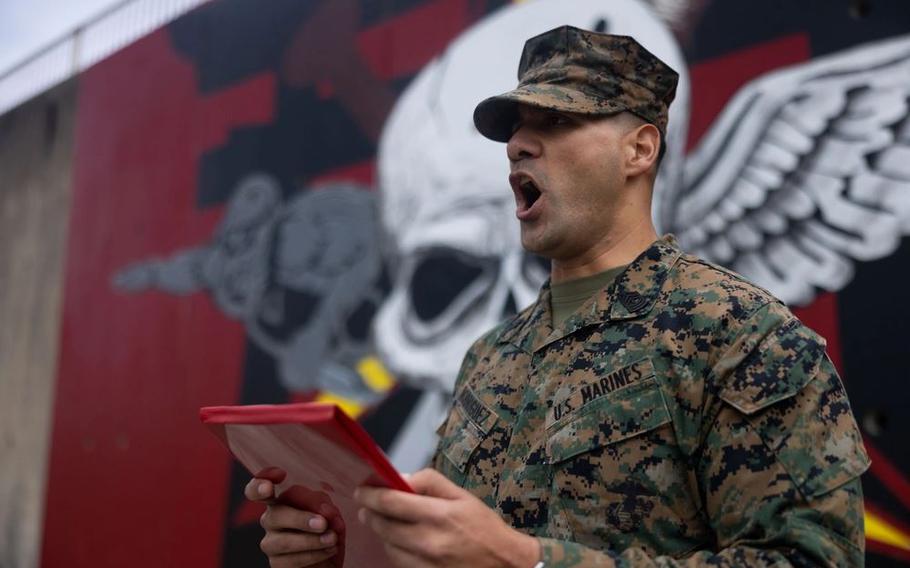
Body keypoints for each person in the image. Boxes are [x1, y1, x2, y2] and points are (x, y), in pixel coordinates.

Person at [245, 25, 870, 567]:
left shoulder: (742, 335)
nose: (518, 143)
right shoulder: (488, 358)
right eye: (516, 128)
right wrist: (344, 552)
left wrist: (532, 562)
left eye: (556, 121)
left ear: (640, 148)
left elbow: (809, 558)